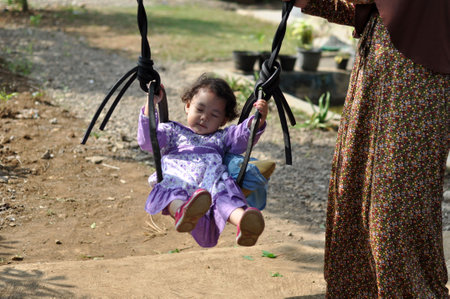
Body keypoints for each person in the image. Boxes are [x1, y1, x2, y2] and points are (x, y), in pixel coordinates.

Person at [286, 0, 450, 297]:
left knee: (395, 204)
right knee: (354, 189)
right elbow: (359, 9)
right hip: (373, 76)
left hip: (421, 85)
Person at [137, 74, 268, 248]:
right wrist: (150, 104)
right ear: (188, 106)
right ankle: (182, 213)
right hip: (179, 177)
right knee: (171, 192)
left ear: (223, 121)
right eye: (199, 110)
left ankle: (244, 222)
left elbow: (242, 136)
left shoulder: (222, 137)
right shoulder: (172, 131)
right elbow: (148, 140)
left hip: (210, 183)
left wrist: (257, 120)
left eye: (214, 115)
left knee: (225, 198)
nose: (204, 117)